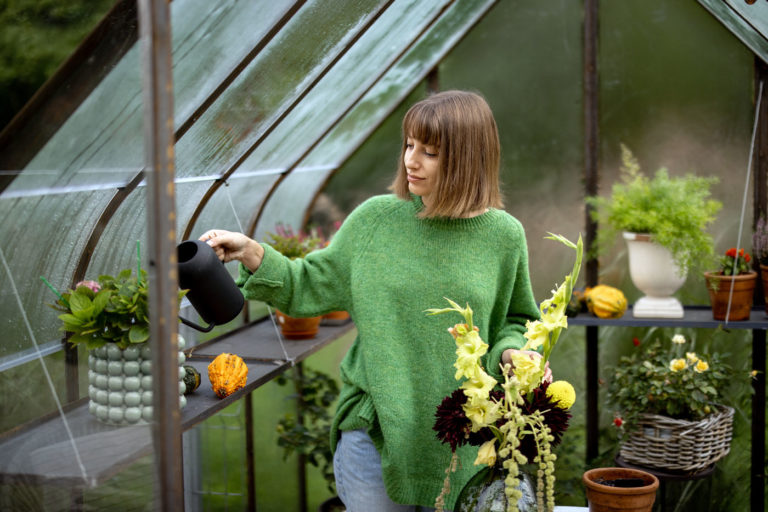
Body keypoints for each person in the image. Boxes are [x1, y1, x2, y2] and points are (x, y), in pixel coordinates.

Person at [200, 90, 540, 512]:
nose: (410, 161)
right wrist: (251, 251)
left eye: (430, 152)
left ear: (468, 159)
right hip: (375, 432)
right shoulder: (376, 220)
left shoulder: (503, 236)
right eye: (409, 145)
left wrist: (512, 352)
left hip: (467, 441)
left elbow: (518, 318)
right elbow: (309, 283)